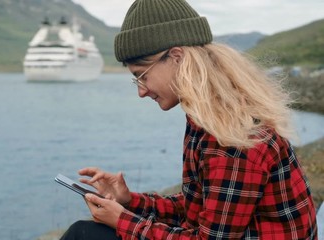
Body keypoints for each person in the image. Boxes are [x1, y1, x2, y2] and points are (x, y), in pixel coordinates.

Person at [59, 0, 318, 239]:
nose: (141, 91)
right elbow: (199, 208)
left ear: (176, 57)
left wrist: (124, 221)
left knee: (84, 234)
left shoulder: (233, 137)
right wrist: (129, 201)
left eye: (142, 75)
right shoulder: (212, 117)